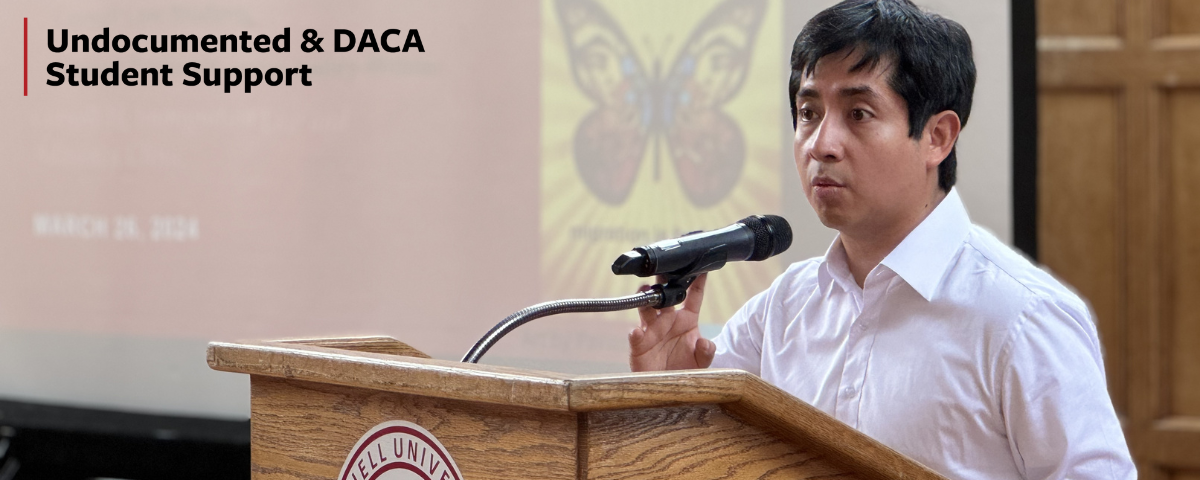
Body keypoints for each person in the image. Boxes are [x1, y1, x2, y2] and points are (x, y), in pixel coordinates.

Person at [626, 1, 1136, 478]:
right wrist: (667, 401)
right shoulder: (781, 311)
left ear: (937, 136)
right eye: (808, 113)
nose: (821, 144)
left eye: (858, 114)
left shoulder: (1023, 317)